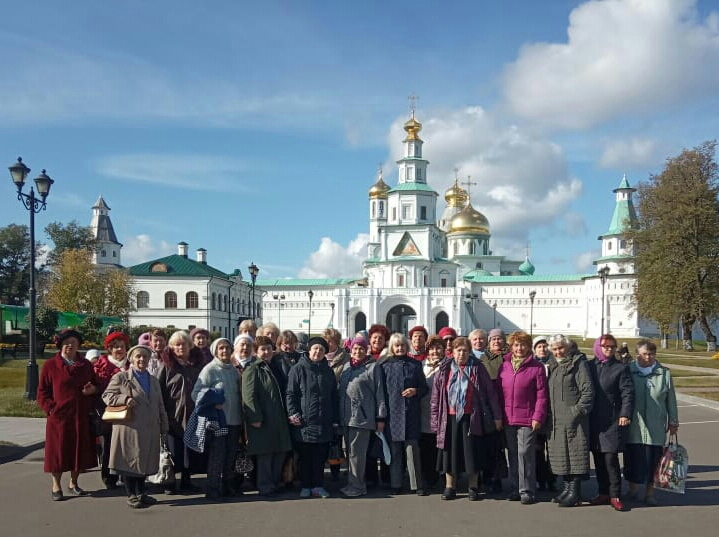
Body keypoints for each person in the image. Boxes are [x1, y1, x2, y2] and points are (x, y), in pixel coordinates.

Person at [431, 337, 502, 501]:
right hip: (449, 418)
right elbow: (435, 397)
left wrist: (497, 416)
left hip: (472, 417)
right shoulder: (444, 368)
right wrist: (434, 422)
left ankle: (473, 487)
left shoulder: (478, 367)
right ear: (452, 352)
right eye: (458, 350)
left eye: (465, 350)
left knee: (472, 454)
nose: (461, 354)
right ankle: (450, 486)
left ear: (470, 352)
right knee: (450, 454)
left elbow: (490, 393)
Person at [102, 345, 169, 508]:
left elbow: (160, 404)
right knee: (129, 461)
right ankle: (131, 494)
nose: (141, 359)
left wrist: (164, 424)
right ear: (131, 359)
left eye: (145, 357)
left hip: (150, 427)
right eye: (138, 356)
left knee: (143, 461)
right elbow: (107, 395)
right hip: (129, 427)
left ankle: (141, 493)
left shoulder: (153, 380)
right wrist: (124, 399)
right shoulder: (122, 377)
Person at [37, 329, 98, 501]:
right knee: (58, 453)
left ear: (79, 345)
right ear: (60, 345)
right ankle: (56, 485)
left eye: (74, 342)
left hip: (80, 416)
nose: (70, 345)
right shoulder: (51, 365)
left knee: (78, 452)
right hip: (59, 418)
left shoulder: (85, 365)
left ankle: (74, 483)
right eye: (66, 342)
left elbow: (96, 385)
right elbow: (42, 392)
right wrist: (50, 408)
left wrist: (93, 389)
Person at [624, 339, 679, 506]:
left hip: (655, 425)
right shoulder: (628, 371)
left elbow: (671, 400)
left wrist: (673, 421)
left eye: (651, 354)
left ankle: (650, 493)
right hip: (634, 425)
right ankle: (632, 489)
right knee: (633, 458)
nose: (648, 357)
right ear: (637, 355)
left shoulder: (664, 373)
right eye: (644, 354)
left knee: (653, 460)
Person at [498, 331, 549, 505]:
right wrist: (499, 416)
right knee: (513, 454)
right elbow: (500, 392)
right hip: (508, 417)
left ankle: (527, 490)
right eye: (516, 345)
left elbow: (542, 395)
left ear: (528, 347)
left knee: (525, 453)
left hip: (528, 418)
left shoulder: (536, 367)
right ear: (511, 347)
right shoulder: (504, 366)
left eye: (523, 345)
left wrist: (538, 416)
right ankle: (515, 488)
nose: (519, 348)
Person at [286, 336, 339, 498]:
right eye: (315, 348)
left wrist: (335, 420)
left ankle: (318, 485)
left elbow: (334, 396)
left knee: (320, 457)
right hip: (304, 422)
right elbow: (291, 394)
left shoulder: (328, 371)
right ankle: (306, 485)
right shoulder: (298, 369)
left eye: (321, 349)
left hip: (324, 422)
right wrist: (293, 413)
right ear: (309, 350)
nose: (318, 352)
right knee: (305, 457)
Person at [191, 337, 243, 500]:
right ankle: (213, 488)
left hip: (235, 419)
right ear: (215, 351)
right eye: (221, 348)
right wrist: (212, 402)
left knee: (230, 455)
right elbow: (196, 393)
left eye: (227, 348)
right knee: (217, 455)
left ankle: (227, 486)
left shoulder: (234, 370)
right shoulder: (209, 370)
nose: (224, 351)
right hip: (218, 421)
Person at [546, 334, 594, 507]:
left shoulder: (578, 363)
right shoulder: (553, 365)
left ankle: (575, 492)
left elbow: (587, 391)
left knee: (575, 455)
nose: (558, 352)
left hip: (574, 420)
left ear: (567, 347)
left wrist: (576, 411)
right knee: (563, 456)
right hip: (557, 420)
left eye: (561, 348)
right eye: (554, 349)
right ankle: (567, 489)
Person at [588, 334, 635, 511]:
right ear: (598, 347)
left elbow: (627, 393)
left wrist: (625, 413)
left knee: (610, 459)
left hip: (612, 419)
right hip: (593, 419)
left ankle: (615, 494)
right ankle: (603, 492)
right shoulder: (589, 366)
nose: (609, 349)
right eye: (605, 346)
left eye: (612, 346)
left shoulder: (620, 368)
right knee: (598, 458)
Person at [242, 335, 292, 497]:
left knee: (280, 451)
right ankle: (265, 485)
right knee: (266, 454)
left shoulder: (275, 366)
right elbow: (248, 396)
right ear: (256, 352)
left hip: (279, 417)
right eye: (262, 349)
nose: (266, 352)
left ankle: (275, 482)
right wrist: (255, 417)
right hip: (263, 419)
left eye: (269, 348)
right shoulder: (253, 369)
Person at [157, 330, 207, 493]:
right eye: (177, 344)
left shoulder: (198, 364)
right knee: (172, 451)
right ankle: (169, 483)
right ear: (171, 347)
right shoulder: (166, 365)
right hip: (172, 414)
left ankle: (187, 481)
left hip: (194, 413)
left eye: (183, 344)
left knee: (189, 450)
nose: (180, 347)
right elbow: (159, 389)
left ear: (190, 345)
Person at [339, 337, 387, 497]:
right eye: (355, 348)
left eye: (361, 348)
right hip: (346, 418)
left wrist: (380, 417)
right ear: (350, 350)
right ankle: (351, 483)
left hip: (362, 419)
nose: (357, 351)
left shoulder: (373, 367)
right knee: (349, 453)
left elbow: (379, 393)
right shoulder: (347, 367)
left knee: (357, 455)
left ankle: (358, 486)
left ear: (366, 350)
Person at [381, 333, 428, 495]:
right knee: (395, 451)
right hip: (392, 414)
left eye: (402, 345)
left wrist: (415, 391)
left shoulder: (415, 365)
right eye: (397, 345)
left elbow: (424, 388)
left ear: (407, 347)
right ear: (392, 348)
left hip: (410, 413)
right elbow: (380, 392)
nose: (400, 348)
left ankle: (417, 485)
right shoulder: (384, 366)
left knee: (412, 450)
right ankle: (396, 483)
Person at [94, 330, 131, 489]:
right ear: (109, 349)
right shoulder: (102, 364)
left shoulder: (131, 364)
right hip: (108, 411)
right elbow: (97, 386)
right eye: (115, 347)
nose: (119, 349)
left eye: (122, 346)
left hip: (129, 411)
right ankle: (109, 477)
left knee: (127, 444)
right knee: (109, 445)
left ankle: (127, 476)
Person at [479, 328, 508, 494]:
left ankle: (501, 478)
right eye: (493, 339)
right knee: (491, 445)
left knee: (504, 446)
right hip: (489, 408)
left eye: (499, 338)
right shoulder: (483, 359)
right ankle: (489, 477)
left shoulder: (510, 357)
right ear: (489, 342)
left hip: (508, 407)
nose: (497, 341)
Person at [419, 335, 445, 491]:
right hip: (423, 412)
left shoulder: (448, 366)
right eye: (432, 349)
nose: (435, 351)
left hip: (442, 412)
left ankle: (444, 476)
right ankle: (428, 477)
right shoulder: (421, 365)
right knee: (426, 447)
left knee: (441, 447)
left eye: (438, 348)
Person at [532, 335, 557, 492]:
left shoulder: (556, 364)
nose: (542, 349)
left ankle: (552, 479)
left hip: (554, 412)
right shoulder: (531, 365)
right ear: (534, 350)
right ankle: (540, 478)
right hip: (537, 412)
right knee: (537, 449)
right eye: (539, 346)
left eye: (545, 346)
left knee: (553, 450)